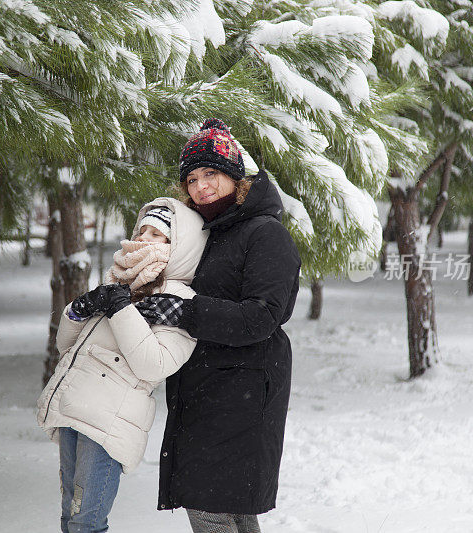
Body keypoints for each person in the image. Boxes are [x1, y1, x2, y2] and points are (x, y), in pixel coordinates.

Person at [135, 118, 301, 533]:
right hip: (208, 388)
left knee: (210, 504)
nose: (201, 186)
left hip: (243, 390)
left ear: (235, 176)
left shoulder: (264, 234)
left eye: (210, 173)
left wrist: (184, 312)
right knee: (229, 507)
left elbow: (262, 316)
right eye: (191, 178)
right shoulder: (214, 234)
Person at [36, 198, 207, 533]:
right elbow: (67, 345)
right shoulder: (121, 282)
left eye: (157, 234)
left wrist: (120, 310)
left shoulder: (181, 300)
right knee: (69, 514)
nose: (143, 238)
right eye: (141, 229)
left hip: (109, 424)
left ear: (179, 246)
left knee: (87, 521)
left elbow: (154, 366)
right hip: (74, 406)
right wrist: (78, 309)